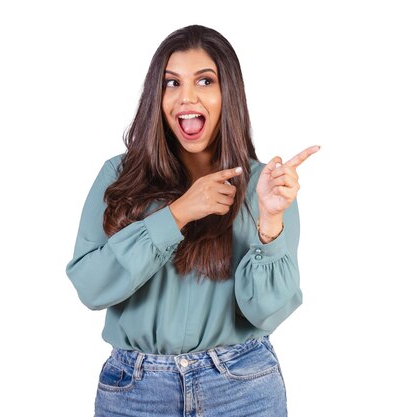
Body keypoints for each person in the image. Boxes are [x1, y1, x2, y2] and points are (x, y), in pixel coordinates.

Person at [65, 24, 319, 417]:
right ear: (157, 95)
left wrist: (269, 219)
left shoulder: (263, 187)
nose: (187, 97)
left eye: (205, 80)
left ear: (227, 94)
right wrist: (178, 213)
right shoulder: (119, 177)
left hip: (241, 388)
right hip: (135, 391)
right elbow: (91, 287)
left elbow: (267, 312)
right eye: (171, 82)